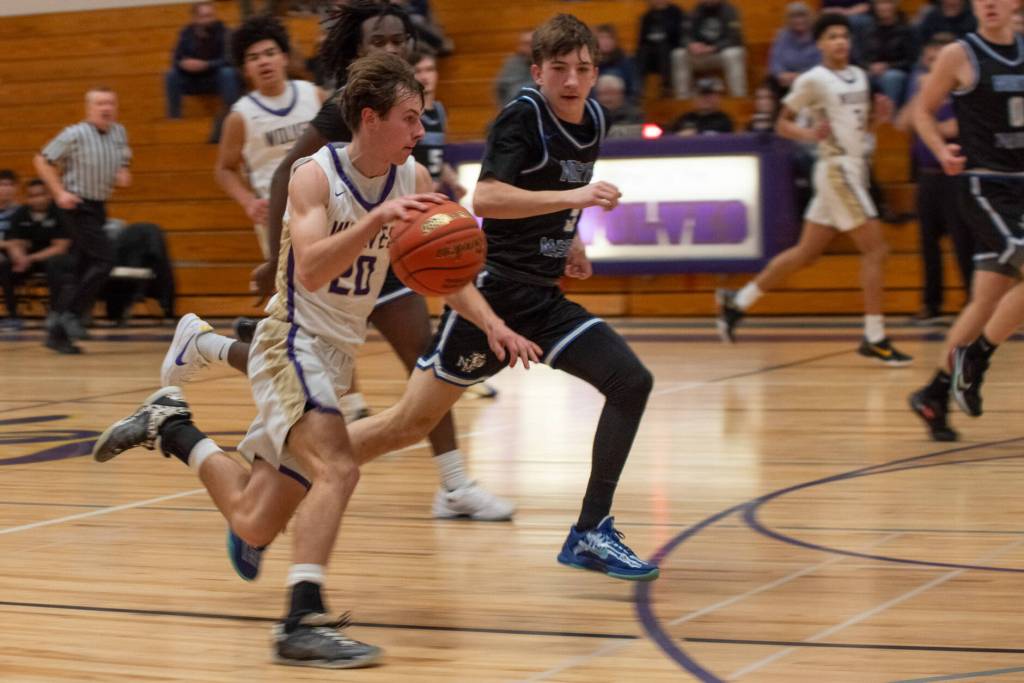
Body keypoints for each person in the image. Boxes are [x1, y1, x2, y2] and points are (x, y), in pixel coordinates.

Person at [91, 53, 539, 668]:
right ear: (370, 117)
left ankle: (170, 425)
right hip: (291, 340)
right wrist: (374, 220)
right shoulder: (313, 176)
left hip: (333, 353)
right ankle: (301, 620)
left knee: (253, 522)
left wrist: (493, 324)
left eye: (422, 119)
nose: (419, 131)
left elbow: (448, 270)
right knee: (338, 467)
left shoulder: (408, 181)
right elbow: (311, 268)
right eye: (410, 118)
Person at [164, 0, 513, 521]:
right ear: (358, 50)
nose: (393, 49)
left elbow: (420, 174)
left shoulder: (415, 105)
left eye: (400, 41)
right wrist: (271, 255)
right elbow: (287, 171)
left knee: (424, 357)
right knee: (306, 368)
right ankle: (211, 351)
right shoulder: (346, 107)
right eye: (380, 42)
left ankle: (455, 483)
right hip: (334, 253)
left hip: (391, 252)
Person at [345, 14, 660, 582]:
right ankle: (299, 466)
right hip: (494, 295)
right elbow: (487, 197)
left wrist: (573, 237)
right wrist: (580, 195)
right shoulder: (523, 116)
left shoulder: (593, 116)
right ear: (536, 71)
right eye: (559, 69)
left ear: (596, 72)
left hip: (543, 297)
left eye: (583, 69)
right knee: (407, 426)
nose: (572, 80)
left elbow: (558, 193)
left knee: (630, 381)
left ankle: (591, 531)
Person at [717, 14, 912, 366]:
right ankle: (875, 335)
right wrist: (809, 135)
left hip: (854, 167)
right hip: (836, 170)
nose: (840, 41)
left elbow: (860, 127)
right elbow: (782, 122)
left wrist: (878, 118)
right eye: (832, 36)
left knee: (805, 254)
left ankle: (738, 301)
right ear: (820, 44)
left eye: (844, 36)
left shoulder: (860, 77)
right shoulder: (813, 80)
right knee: (877, 250)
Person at [909, 0, 1024, 442]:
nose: (990, 3)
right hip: (985, 186)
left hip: (1021, 186)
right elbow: (922, 110)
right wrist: (940, 149)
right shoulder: (960, 54)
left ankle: (934, 394)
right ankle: (974, 359)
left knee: (985, 300)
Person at [215, 16, 324, 260]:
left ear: (284, 57)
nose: (263, 61)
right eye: (254, 58)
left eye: (269, 53)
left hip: (323, 203)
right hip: (277, 214)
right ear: (245, 69)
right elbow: (224, 169)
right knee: (289, 290)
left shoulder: (314, 95)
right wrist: (248, 202)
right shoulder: (240, 116)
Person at [34, 87, 132, 354]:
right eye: (100, 103)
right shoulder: (74, 134)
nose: (106, 108)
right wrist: (59, 193)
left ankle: (57, 333)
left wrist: (123, 171)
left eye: (110, 103)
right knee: (104, 259)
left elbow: (123, 158)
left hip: (98, 206)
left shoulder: (118, 132)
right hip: (75, 204)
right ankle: (72, 315)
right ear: (89, 108)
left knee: (80, 269)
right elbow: (42, 160)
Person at [895, 34, 973, 324]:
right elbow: (901, 123)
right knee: (927, 244)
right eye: (930, 55)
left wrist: (927, 124)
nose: (934, 60)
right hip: (926, 178)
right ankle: (931, 304)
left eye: (939, 55)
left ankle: (972, 302)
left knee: (962, 242)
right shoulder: (924, 91)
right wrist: (922, 95)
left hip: (953, 176)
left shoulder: (961, 91)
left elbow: (956, 128)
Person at [0, 180, 72, 329]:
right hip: (27, 260)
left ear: (49, 196)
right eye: (32, 196)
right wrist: (18, 257)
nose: (37, 199)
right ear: (27, 198)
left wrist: (30, 258)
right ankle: (13, 316)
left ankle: (55, 314)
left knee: (55, 265)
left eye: (41, 194)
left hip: (51, 258)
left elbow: (60, 247)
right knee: (5, 267)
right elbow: (13, 241)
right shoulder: (21, 213)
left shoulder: (60, 213)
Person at [165, 2, 241, 121]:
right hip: (192, 79)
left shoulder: (225, 32)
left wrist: (207, 65)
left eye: (210, 16)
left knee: (228, 73)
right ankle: (174, 118)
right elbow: (176, 59)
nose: (208, 20)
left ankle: (234, 116)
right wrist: (184, 64)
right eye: (203, 16)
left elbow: (230, 60)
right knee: (171, 75)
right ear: (195, 18)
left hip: (215, 78)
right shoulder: (186, 33)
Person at [410, 50, 465, 198]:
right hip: (412, 194)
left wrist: (454, 182)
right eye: (417, 71)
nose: (424, 76)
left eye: (429, 69)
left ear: (436, 74)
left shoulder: (440, 110)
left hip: (433, 194)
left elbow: (436, 157)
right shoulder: (408, 113)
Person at [671, 0, 747, 99]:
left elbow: (735, 38)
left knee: (734, 53)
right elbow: (684, 36)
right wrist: (691, 45)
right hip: (701, 55)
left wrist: (713, 48)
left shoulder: (729, 10)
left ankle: (739, 98)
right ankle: (682, 100)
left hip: (720, 53)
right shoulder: (695, 11)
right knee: (678, 54)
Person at [863, 0, 915, 107]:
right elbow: (860, 56)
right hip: (871, 70)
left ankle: (891, 118)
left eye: (887, 3)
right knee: (860, 76)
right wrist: (870, 67)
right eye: (880, 3)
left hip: (897, 71)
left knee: (890, 77)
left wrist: (888, 66)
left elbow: (911, 60)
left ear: (895, 4)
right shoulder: (868, 29)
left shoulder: (907, 30)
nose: (884, 7)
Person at [769, 2, 822, 96]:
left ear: (809, 18)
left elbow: (820, 63)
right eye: (794, 17)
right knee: (771, 80)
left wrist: (800, 76)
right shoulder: (782, 36)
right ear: (788, 19)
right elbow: (775, 61)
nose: (798, 20)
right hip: (786, 81)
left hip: (812, 79)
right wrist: (780, 74)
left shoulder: (818, 35)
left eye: (802, 16)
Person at [635, 0, 687, 98]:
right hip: (650, 50)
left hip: (670, 46)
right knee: (642, 51)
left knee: (663, 48)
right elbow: (642, 40)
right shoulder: (647, 15)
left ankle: (666, 86)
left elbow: (678, 34)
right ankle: (638, 87)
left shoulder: (675, 11)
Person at [670, 76, 735, 135]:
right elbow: (669, 138)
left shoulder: (724, 120)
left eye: (710, 95)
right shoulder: (684, 119)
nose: (705, 99)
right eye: (701, 95)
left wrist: (695, 133)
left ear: (717, 98)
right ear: (693, 98)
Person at [495, 30, 535, 106]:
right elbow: (500, 89)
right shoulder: (512, 63)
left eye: (530, 43)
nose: (527, 47)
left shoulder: (547, 63)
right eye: (524, 44)